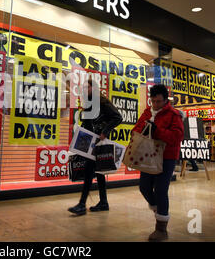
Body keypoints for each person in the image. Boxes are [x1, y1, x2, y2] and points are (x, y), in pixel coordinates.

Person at [132, 84, 184, 241]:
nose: (155, 104)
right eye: (153, 101)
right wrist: (137, 132)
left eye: (158, 101)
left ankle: (161, 228)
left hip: (167, 157)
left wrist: (157, 131)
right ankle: (159, 210)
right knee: (144, 187)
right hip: (148, 155)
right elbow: (137, 128)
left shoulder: (174, 115)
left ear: (165, 100)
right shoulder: (147, 112)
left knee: (161, 190)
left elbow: (177, 137)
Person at [68, 78, 122, 215]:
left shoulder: (101, 101)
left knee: (89, 172)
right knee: (98, 172)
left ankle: (82, 204)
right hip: (90, 141)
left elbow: (117, 117)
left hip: (98, 141)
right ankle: (103, 202)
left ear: (94, 88)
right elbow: (87, 123)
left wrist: (105, 131)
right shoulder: (89, 102)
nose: (85, 90)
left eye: (88, 87)